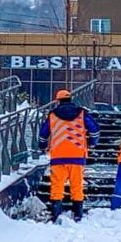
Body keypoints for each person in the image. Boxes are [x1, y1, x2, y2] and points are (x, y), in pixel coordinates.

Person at [37, 89, 100, 222]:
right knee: (77, 185)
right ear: (71, 99)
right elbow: (94, 129)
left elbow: (43, 134)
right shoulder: (82, 113)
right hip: (77, 155)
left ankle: (56, 214)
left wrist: (42, 145)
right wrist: (91, 142)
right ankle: (77, 214)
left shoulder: (53, 115)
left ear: (58, 101)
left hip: (58, 156)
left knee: (57, 186)